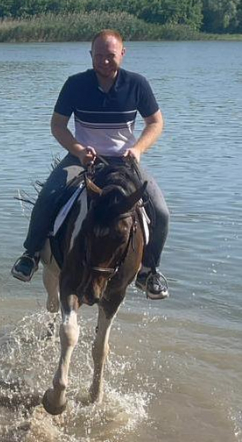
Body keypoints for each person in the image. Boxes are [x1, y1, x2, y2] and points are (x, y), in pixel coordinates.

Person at [11, 29, 170, 300]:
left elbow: (155, 122)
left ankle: (148, 270)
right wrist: (79, 150)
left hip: (125, 161)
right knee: (49, 195)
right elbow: (58, 126)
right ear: (91, 55)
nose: (104, 62)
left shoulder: (137, 84)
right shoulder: (75, 84)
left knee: (160, 210)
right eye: (99, 56)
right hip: (83, 159)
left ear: (122, 53)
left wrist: (138, 148)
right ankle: (31, 254)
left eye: (110, 56)